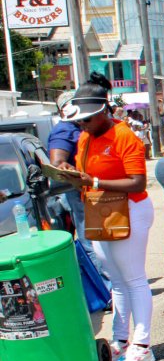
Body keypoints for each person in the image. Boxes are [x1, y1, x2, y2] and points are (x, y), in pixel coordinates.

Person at [60, 82, 156, 361]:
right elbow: (87, 172)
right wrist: (71, 173)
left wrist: (95, 182)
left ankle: (143, 345)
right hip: (100, 210)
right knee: (116, 281)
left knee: (134, 279)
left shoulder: (124, 136)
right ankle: (121, 341)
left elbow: (137, 181)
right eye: (79, 119)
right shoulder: (85, 139)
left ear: (104, 111)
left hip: (129, 209)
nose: (82, 123)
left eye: (87, 118)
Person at [48, 88, 105, 276]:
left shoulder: (83, 126)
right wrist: (70, 170)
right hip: (80, 193)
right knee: (92, 241)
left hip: (98, 189)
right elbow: (57, 163)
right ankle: (107, 288)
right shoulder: (65, 129)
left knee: (104, 239)